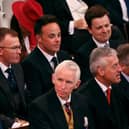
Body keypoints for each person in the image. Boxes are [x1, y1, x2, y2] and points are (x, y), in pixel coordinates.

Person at [29, 60, 93, 129]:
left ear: (77, 84)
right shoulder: (39, 107)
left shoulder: (83, 101)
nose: (63, 86)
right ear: (53, 78)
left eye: (68, 82)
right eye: (60, 80)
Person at [21, 15, 71, 103]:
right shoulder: (30, 63)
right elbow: (37, 99)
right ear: (39, 38)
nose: (57, 40)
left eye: (59, 35)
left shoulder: (64, 56)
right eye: (52, 36)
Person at [78, 47, 129, 129]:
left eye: (118, 64)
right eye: (114, 66)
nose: (120, 69)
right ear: (101, 71)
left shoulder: (120, 89)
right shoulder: (83, 97)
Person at [74, 5, 125, 83]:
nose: (105, 30)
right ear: (90, 30)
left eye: (107, 26)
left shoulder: (120, 45)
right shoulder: (83, 54)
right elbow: (88, 83)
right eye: (99, 28)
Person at [0, 27, 28, 129]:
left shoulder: (17, 67)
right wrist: (13, 124)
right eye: (14, 48)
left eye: (19, 47)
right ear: (1, 51)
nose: (19, 52)